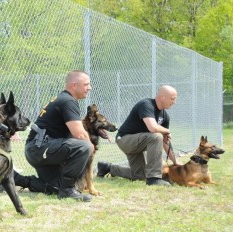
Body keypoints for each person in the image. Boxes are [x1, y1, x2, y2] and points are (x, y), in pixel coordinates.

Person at [15, 70, 94, 202]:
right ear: (74, 85)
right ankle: (67, 191)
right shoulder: (68, 101)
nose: (89, 88)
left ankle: (15, 179)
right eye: (86, 84)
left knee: (55, 187)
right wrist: (90, 148)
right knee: (84, 146)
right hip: (40, 148)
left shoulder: (64, 99)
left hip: (37, 149)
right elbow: (79, 134)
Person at [96, 85, 178, 186]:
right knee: (156, 136)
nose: (174, 102)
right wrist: (167, 131)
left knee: (140, 175)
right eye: (172, 99)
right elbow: (153, 128)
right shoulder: (146, 104)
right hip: (125, 140)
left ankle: (107, 167)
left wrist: (175, 161)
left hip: (138, 143)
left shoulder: (165, 116)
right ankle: (154, 178)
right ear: (162, 97)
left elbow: (165, 141)